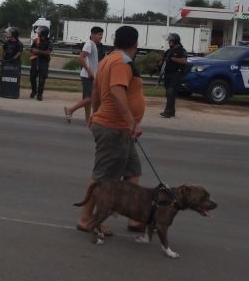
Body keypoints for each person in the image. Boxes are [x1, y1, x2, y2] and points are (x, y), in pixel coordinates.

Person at [77, 25, 146, 235]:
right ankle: (87, 218)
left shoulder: (108, 59)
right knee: (103, 177)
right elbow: (116, 92)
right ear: (136, 44)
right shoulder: (121, 62)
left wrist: (94, 115)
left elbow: (97, 89)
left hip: (118, 128)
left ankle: (134, 217)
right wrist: (132, 122)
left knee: (133, 171)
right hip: (114, 128)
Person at [64, 27, 104, 123]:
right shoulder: (89, 44)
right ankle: (70, 110)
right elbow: (81, 58)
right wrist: (89, 71)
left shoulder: (94, 44)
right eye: (99, 34)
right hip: (87, 75)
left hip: (90, 75)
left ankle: (87, 120)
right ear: (93, 35)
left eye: (102, 34)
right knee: (90, 98)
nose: (101, 36)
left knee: (87, 98)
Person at [158, 33, 188, 118]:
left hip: (176, 74)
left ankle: (168, 112)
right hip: (168, 74)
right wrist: (160, 62)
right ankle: (172, 111)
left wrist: (172, 59)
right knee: (168, 93)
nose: (168, 42)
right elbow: (162, 62)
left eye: (170, 41)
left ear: (175, 41)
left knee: (171, 91)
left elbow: (184, 61)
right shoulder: (168, 51)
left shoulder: (181, 50)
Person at [29, 25, 53, 101]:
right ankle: (34, 91)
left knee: (42, 79)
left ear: (43, 33)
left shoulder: (49, 41)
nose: (38, 33)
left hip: (44, 61)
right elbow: (31, 49)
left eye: (39, 32)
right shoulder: (36, 40)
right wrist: (32, 50)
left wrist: (38, 51)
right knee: (32, 77)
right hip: (35, 60)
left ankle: (40, 95)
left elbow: (48, 52)